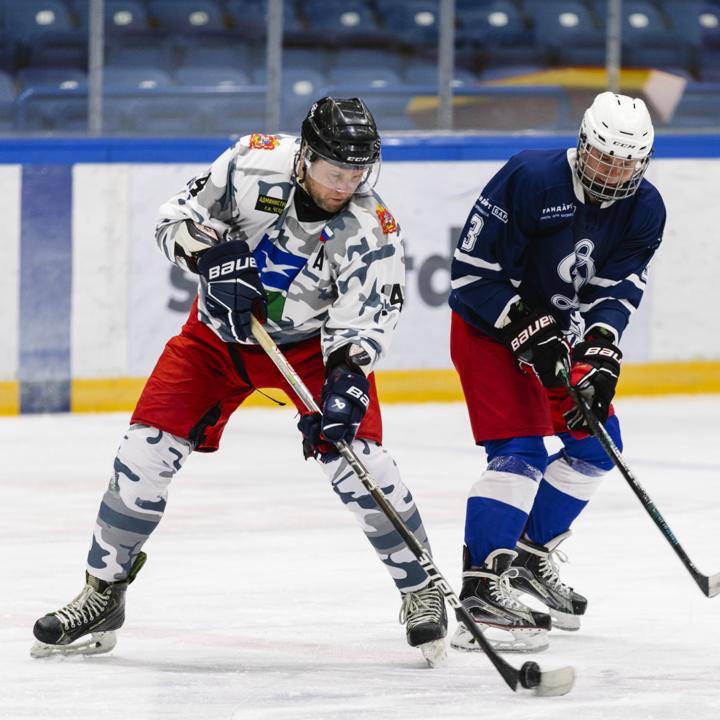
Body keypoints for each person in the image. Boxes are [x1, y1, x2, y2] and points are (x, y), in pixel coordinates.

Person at [31, 98, 450, 666]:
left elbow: (366, 318)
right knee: (143, 453)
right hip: (214, 339)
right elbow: (170, 220)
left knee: (361, 461)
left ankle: (419, 587)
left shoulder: (371, 228)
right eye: (335, 171)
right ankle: (103, 591)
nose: (346, 184)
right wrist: (209, 257)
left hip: (308, 349)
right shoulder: (251, 164)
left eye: (358, 172)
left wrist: (347, 382)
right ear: (305, 157)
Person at [446, 92, 665, 652]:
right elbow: (470, 277)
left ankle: (527, 558)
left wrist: (600, 349)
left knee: (597, 446)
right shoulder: (529, 176)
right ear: (582, 144)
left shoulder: (647, 209)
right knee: (519, 451)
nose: (611, 172)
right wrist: (526, 325)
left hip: (557, 336)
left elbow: (617, 290)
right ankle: (480, 590)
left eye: (624, 163)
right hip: (489, 332)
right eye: (602, 158)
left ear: (642, 162)